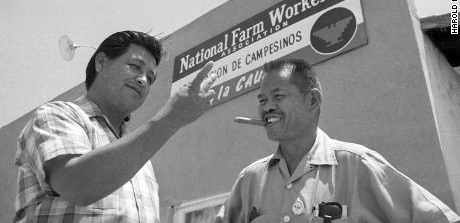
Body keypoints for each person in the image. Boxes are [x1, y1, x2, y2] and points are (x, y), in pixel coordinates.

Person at [216, 59, 460, 223]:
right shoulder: (250, 180)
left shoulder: (358, 165)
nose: (267, 107)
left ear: (312, 100)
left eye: (278, 96)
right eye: (261, 100)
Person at [14, 31, 217, 222]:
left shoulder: (141, 160)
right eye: (135, 66)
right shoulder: (56, 115)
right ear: (101, 62)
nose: (143, 80)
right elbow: (78, 186)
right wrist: (171, 118)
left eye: (150, 77)